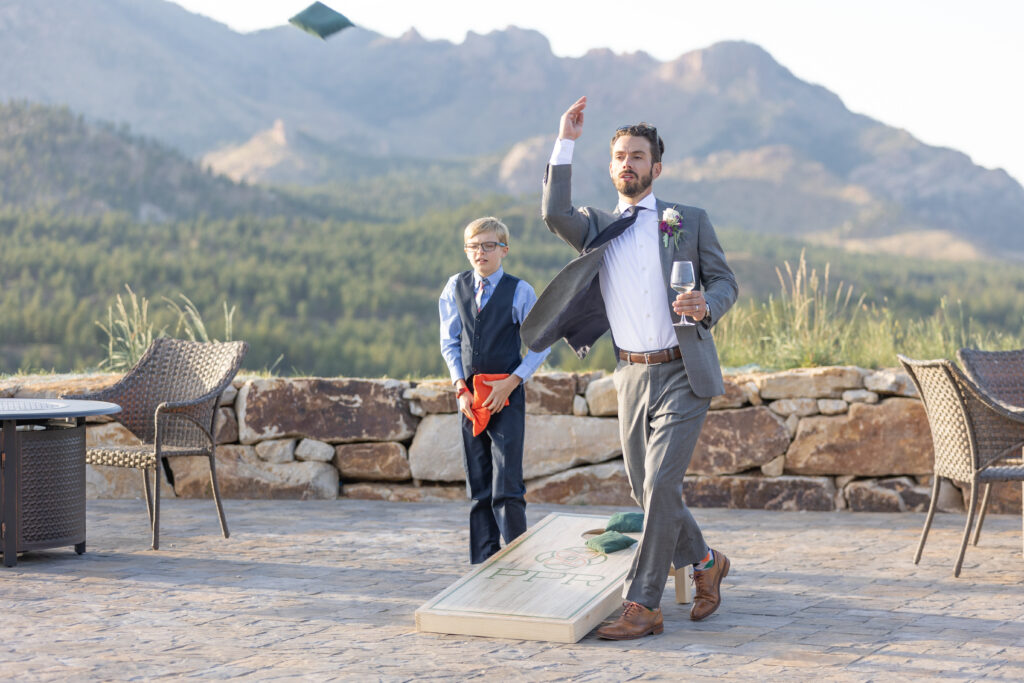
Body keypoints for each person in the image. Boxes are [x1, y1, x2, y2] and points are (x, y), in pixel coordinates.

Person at [521, 96, 739, 639]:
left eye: (637, 156)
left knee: (662, 485)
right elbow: (552, 212)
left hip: (684, 370)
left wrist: (707, 304)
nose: (627, 164)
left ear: (655, 168)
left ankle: (643, 604)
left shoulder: (686, 221)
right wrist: (565, 138)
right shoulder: (597, 226)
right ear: (611, 164)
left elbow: (725, 281)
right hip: (631, 374)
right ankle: (707, 561)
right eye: (619, 156)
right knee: (647, 492)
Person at [439, 216, 551, 564]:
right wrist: (460, 388)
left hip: (506, 396)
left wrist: (512, 381)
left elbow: (541, 344)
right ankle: (483, 561)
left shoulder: (520, 291)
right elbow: (450, 343)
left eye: (489, 245)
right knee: (479, 483)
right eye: (474, 246)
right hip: (470, 399)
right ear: (466, 250)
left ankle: (519, 559)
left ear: (504, 250)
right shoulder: (454, 287)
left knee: (508, 484)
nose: (481, 252)